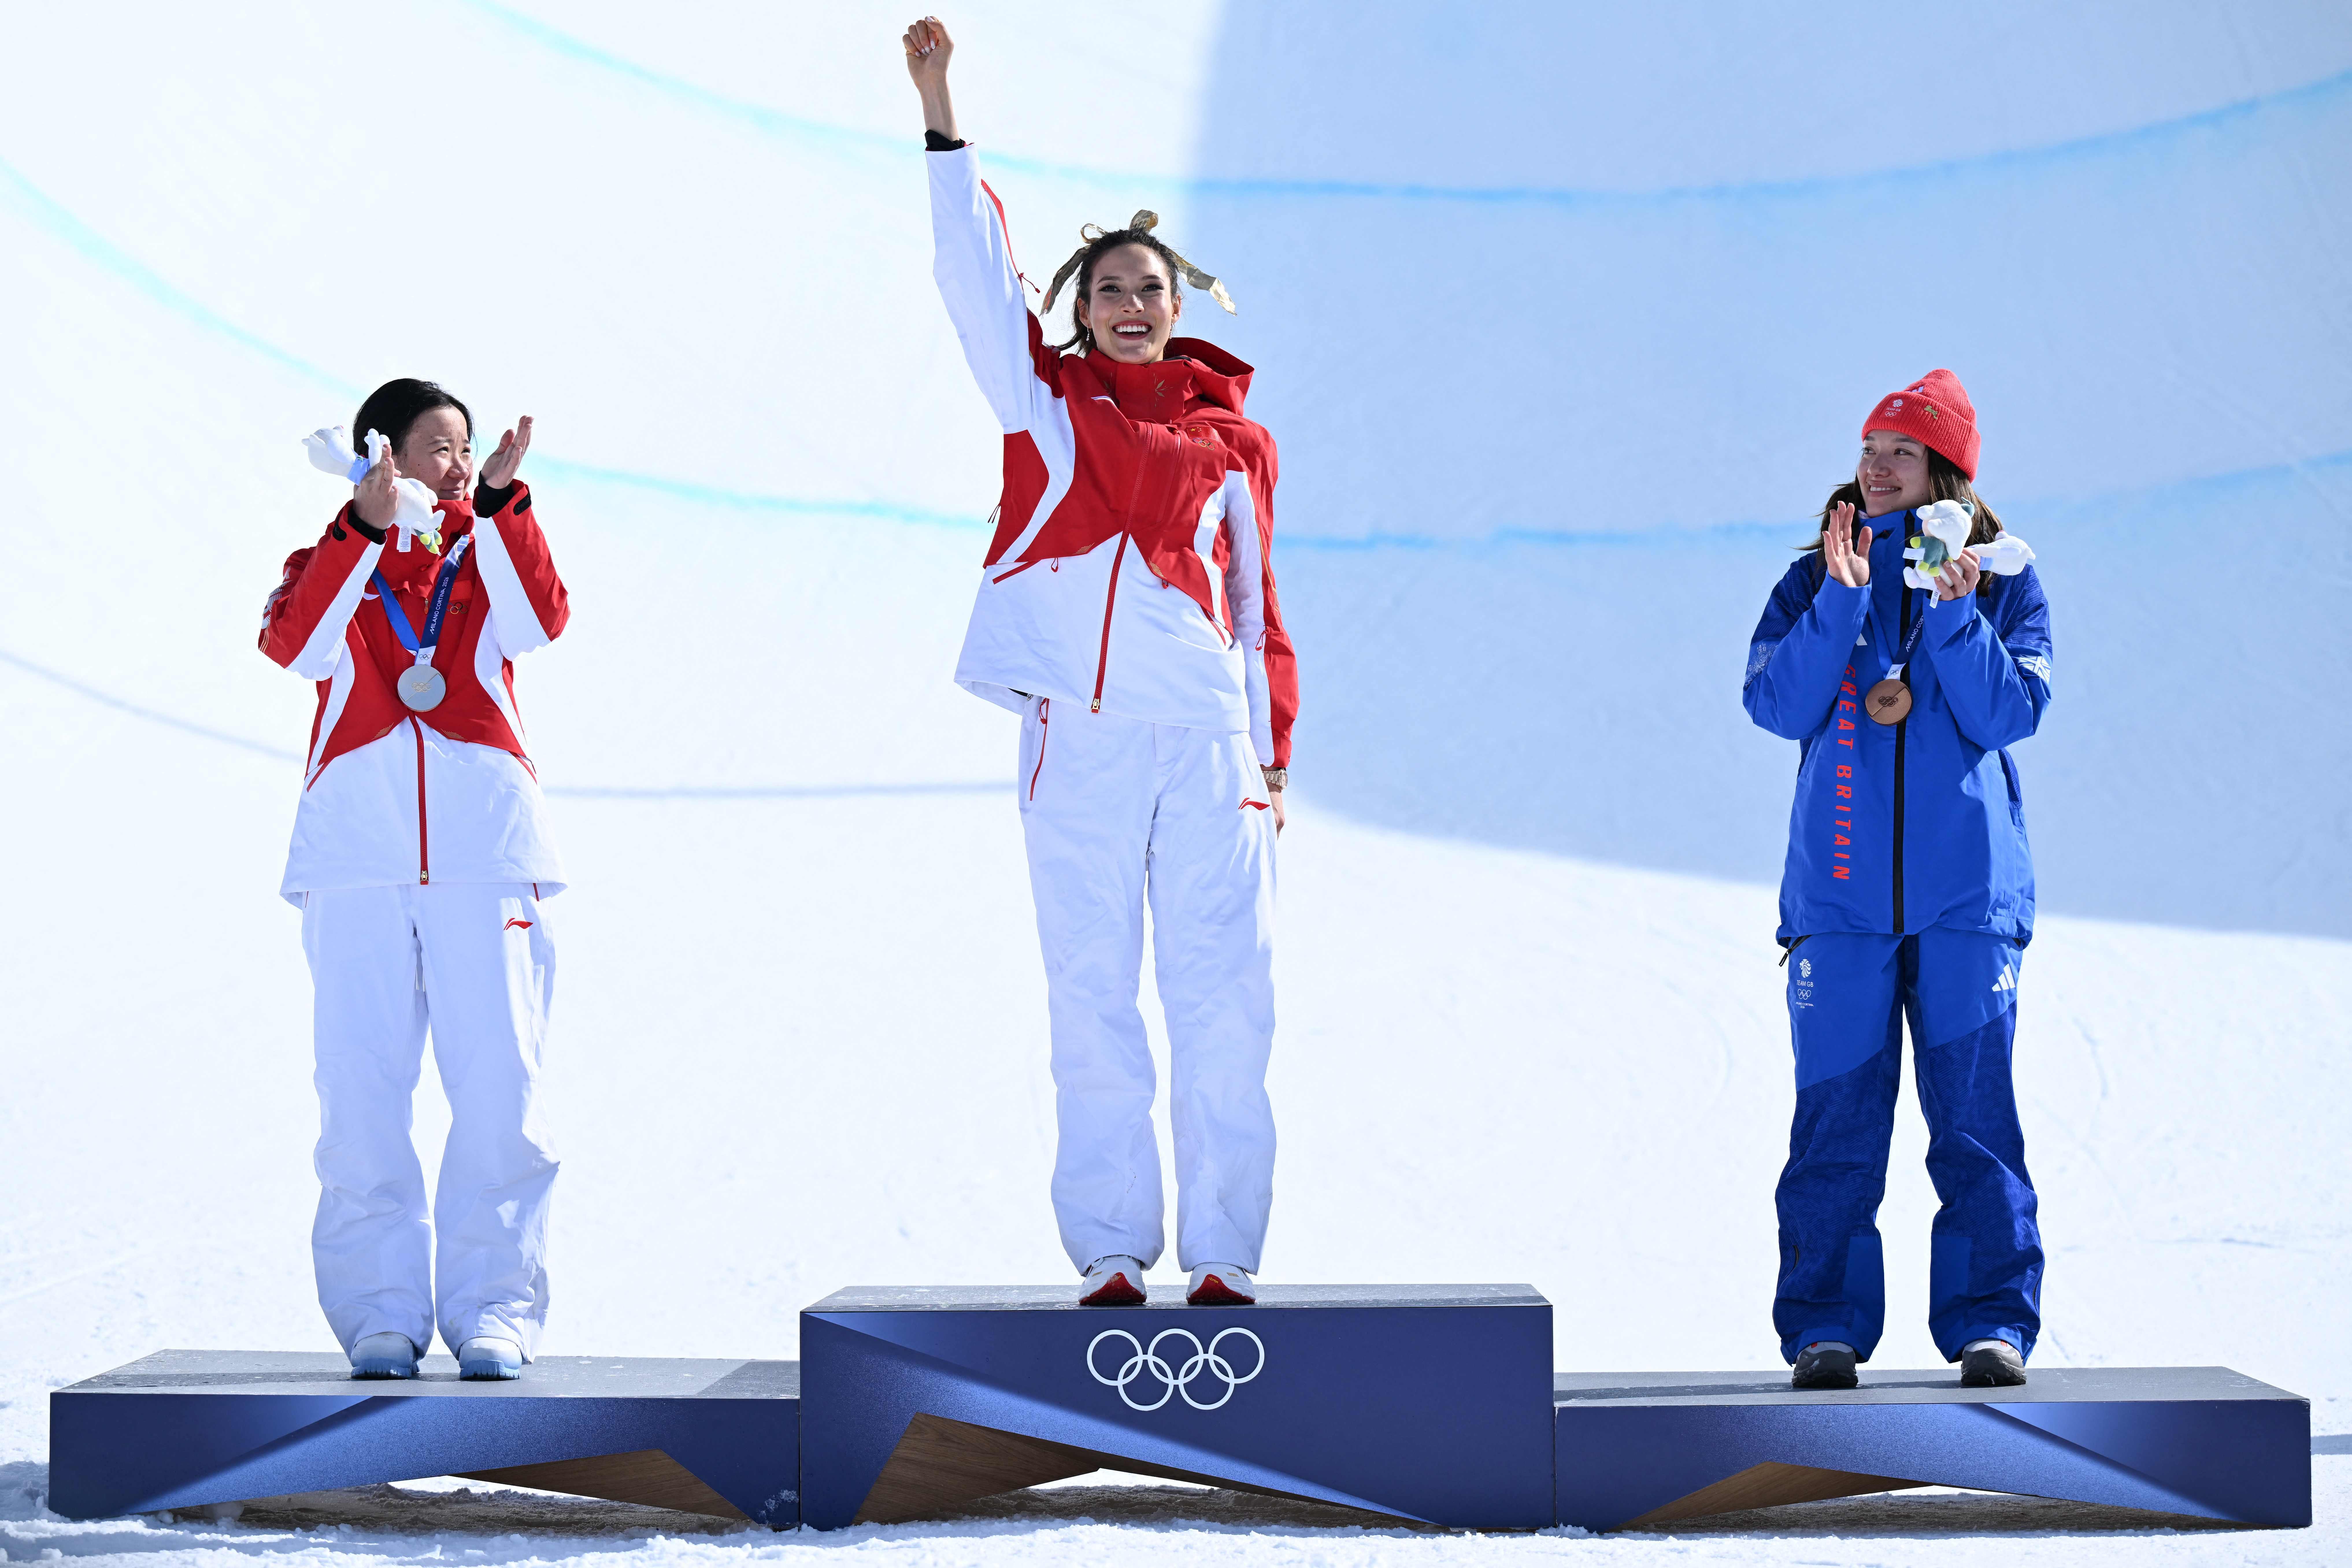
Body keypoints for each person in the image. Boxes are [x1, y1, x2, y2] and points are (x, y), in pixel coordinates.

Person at [902, 16, 1298, 1307]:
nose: (1130, 308)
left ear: (1180, 307)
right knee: (1091, 990)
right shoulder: (1043, 403)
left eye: (1149, 290)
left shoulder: (1234, 440)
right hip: (1076, 728)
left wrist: (1273, 753)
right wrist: (942, 112)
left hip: (1203, 733)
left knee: (1222, 994)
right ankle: (1113, 1249)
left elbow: (1255, 599)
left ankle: (1227, 1251)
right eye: (1108, 291)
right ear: (1080, 311)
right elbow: (974, 278)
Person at [1741, 369, 2051, 1390]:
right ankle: (1824, 1324)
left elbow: (2009, 717)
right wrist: (1837, 603)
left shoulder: (2003, 579)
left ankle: (1988, 1325)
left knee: (1974, 1126)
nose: (1874, 467)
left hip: (1967, 904)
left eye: (1899, 453)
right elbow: (1777, 706)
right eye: (1869, 448)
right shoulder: (1811, 577)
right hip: (1837, 903)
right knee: (1835, 1124)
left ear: (1943, 474)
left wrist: (1955, 617)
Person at [260, 379, 569, 1380]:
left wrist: (503, 509)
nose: (458, 462)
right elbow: (294, 643)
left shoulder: (486, 552)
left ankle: (496, 1308)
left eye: (466, 447)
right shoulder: (330, 560)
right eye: (440, 445)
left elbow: (542, 622)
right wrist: (363, 526)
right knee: (360, 1093)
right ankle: (378, 1312)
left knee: (502, 1090)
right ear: (380, 452)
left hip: (486, 851)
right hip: (357, 857)